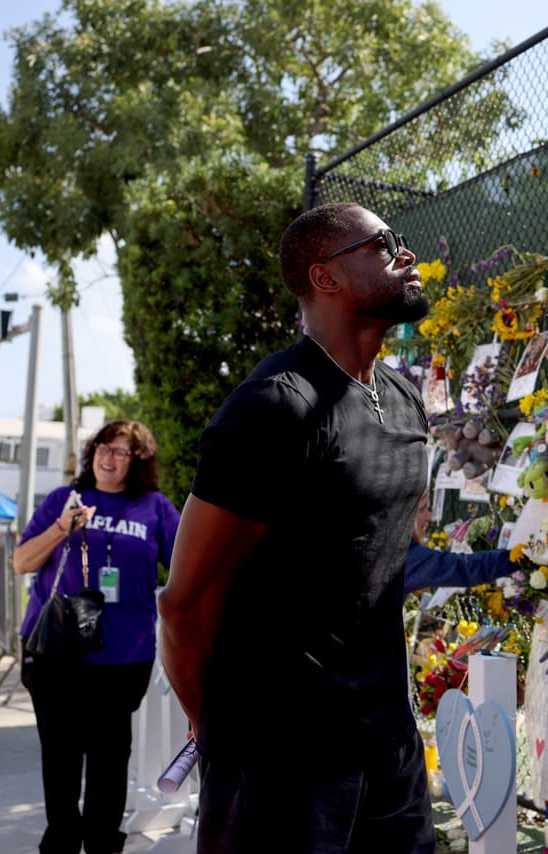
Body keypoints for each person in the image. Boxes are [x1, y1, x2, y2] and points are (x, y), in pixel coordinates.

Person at [160, 202, 435, 853]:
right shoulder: (274, 408)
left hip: (388, 752)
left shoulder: (404, 398)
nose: (407, 255)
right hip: (279, 763)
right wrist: (216, 724)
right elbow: (183, 603)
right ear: (326, 277)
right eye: (383, 244)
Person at [12, 420, 180, 854]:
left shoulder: (154, 508)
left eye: (121, 452)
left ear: (137, 461)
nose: (109, 457)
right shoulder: (61, 501)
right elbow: (21, 563)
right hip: (56, 654)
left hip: (123, 656)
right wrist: (61, 528)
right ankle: (63, 842)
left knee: (109, 759)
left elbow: (186, 566)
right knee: (61, 758)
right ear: (92, 453)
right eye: (104, 447)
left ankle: (104, 843)